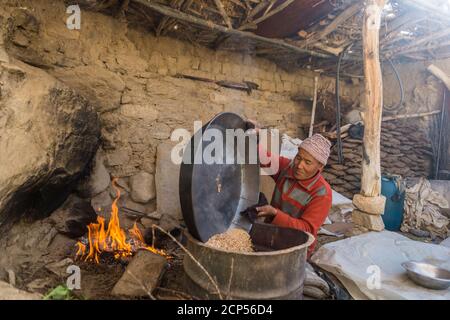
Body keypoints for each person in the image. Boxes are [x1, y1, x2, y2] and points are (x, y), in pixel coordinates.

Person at [249, 121, 333, 257]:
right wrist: (253, 137)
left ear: (320, 167)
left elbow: (307, 230)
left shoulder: (322, 194)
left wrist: (275, 214)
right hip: (273, 234)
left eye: (308, 162)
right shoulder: (288, 168)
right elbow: (265, 158)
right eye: (298, 158)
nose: (299, 165)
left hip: (297, 247)